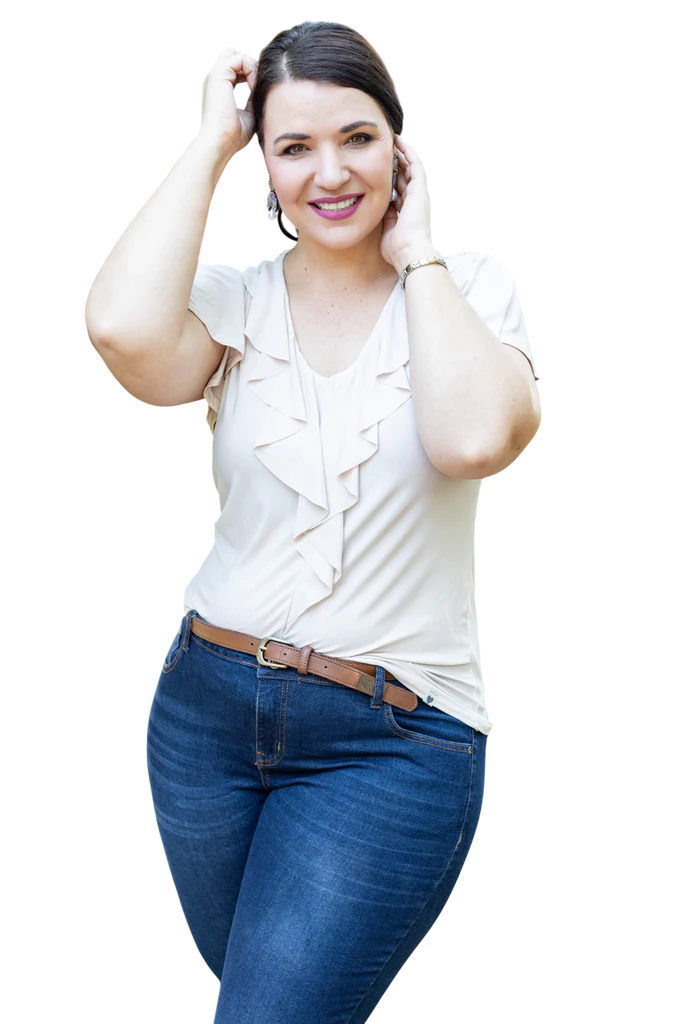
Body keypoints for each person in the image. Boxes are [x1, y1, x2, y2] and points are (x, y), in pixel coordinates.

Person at [85, 21, 536, 1024]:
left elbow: (473, 439)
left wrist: (417, 257)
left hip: (393, 740)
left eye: (357, 138)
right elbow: (118, 330)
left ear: (401, 147)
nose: (330, 173)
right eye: (293, 147)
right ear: (264, 166)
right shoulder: (234, 304)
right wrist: (209, 141)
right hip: (205, 714)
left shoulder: (472, 288)